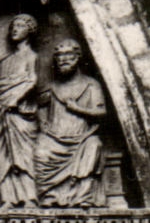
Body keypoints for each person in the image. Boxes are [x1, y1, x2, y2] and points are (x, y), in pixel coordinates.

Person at [34, 38, 106, 207]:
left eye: (68, 55)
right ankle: (49, 196)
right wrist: (43, 122)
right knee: (40, 151)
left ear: (77, 57)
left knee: (94, 145)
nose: (63, 59)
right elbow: (39, 106)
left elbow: (101, 112)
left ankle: (83, 197)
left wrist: (78, 108)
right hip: (54, 136)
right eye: (59, 56)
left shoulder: (90, 85)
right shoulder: (52, 87)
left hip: (81, 138)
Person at [0, 14, 41, 207]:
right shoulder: (6, 60)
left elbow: (32, 80)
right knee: (1, 154)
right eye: (13, 26)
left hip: (18, 111)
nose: (15, 29)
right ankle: (7, 198)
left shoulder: (31, 56)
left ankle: (29, 198)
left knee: (23, 153)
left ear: (30, 30)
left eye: (21, 25)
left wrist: (16, 98)